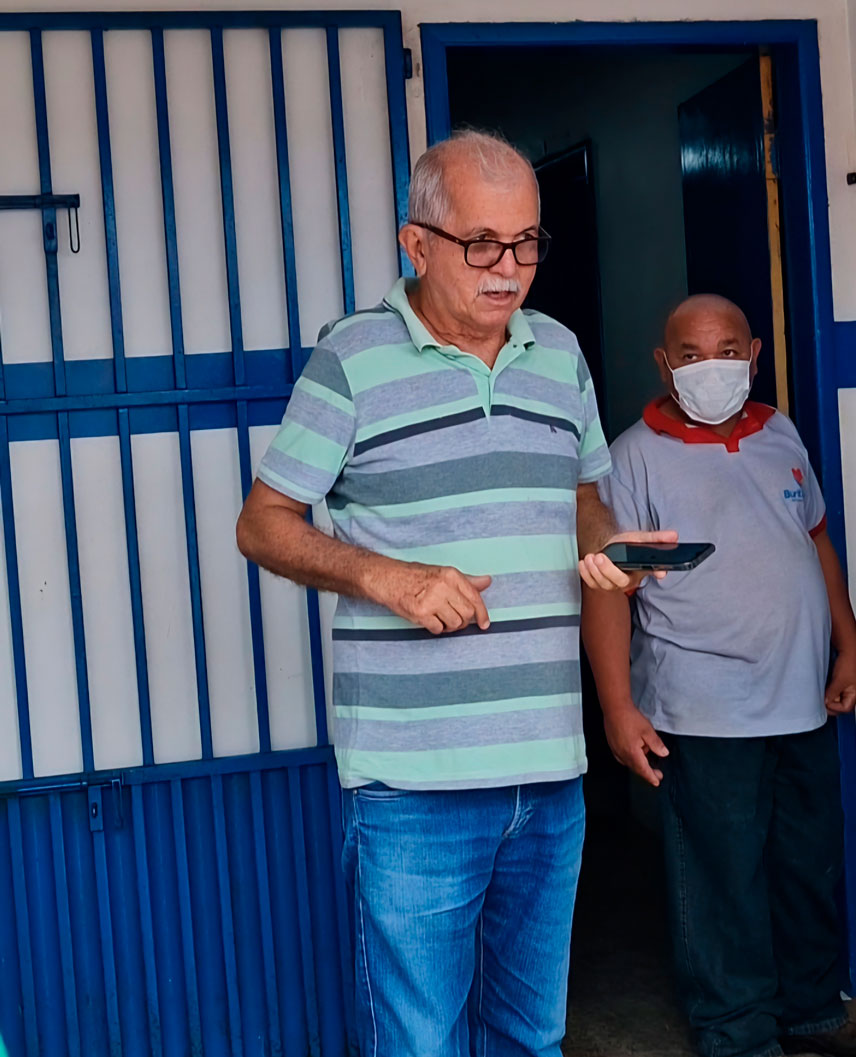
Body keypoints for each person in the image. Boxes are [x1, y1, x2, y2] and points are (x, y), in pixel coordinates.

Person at [236, 129, 672, 1057]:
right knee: (424, 1044)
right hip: (414, 784)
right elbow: (263, 521)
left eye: (527, 243)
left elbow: (584, 497)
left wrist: (612, 550)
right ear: (416, 242)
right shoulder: (352, 360)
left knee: (531, 1035)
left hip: (549, 771)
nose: (508, 267)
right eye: (482, 243)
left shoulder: (559, 354)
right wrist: (383, 575)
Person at [581, 294, 856, 1057]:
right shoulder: (631, 458)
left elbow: (814, 543)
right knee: (721, 883)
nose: (709, 366)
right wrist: (618, 708)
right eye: (689, 353)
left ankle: (812, 1014)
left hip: (799, 699)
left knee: (804, 867)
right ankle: (737, 1033)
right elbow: (607, 587)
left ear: (754, 354)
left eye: (725, 349)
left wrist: (848, 645)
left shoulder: (779, 434)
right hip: (702, 708)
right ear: (664, 364)